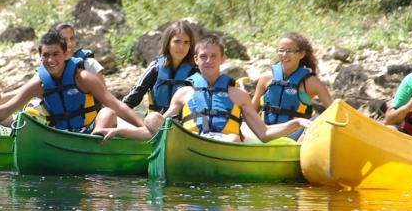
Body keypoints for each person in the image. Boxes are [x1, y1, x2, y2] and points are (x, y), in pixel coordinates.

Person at [96, 34, 310, 143]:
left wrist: (298, 122)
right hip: (191, 141)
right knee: (152, 118)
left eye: (214, 56)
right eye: (203, 57)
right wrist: (118, 131)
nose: (209, 61)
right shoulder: (183, 93)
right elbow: (152, 131)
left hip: (224, 144)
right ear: (196, 59)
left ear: (223, 59)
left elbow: (264, 133)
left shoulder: (238, 94)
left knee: (234, 137)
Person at [0, 30, 145, 135]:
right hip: (59, 135)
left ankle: (94, 144)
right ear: (40, 57)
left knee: (108, 112)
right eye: (46, 55)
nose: (51, 60)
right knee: (25, 119)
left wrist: (144, 128)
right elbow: (4, 110)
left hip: (89, 133)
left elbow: (116, 105)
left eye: (56, 54)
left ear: (66, 54)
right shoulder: (39, 83)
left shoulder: (82, 78)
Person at [251, 31, 333, 141]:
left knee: (316, 120)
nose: (284, 55)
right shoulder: (266, 78)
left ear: (302, 54)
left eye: (290, 51)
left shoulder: (311, 82)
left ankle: (298, 152)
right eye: (281, 50)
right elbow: (251, 112)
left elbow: (334, 109)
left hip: (294, 137)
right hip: (267, 133)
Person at [123, 20, 198, 114]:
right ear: (167, 44)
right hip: (155, 122)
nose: (181, 47)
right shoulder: (156, 68)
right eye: (177, 42)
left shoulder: (196, 71)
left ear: (190, 46)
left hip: (183, 124)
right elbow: (131, 100)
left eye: (186, 42)